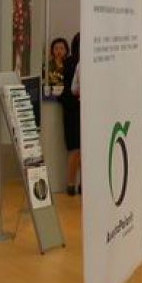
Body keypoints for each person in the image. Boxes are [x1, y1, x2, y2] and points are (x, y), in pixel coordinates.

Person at [59, 33, 81, 196]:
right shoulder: (72, 63)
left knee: (79, 149)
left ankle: (75, 184)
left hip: (74, 109)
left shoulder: (71, 63)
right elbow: (71, 89)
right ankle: (72, 183)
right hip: (74, 110)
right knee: (76, 148)